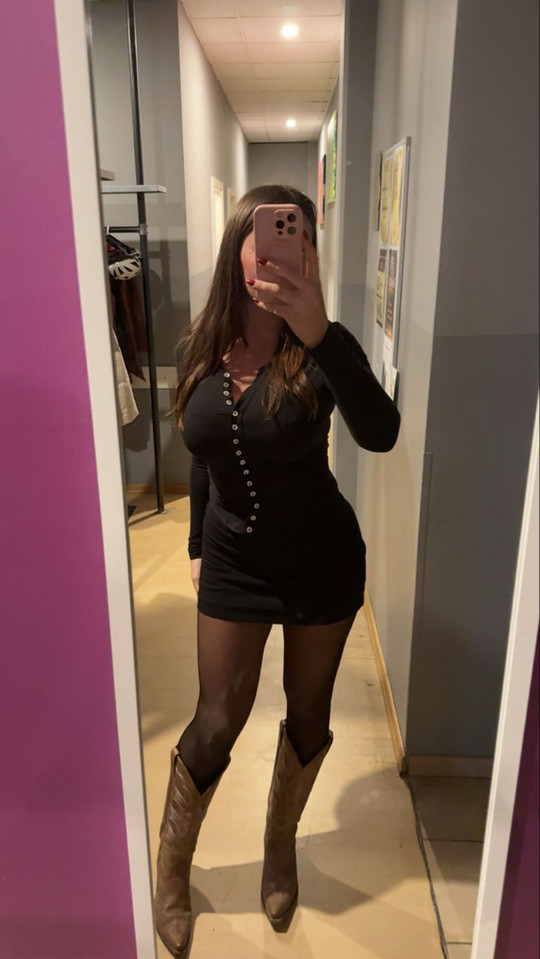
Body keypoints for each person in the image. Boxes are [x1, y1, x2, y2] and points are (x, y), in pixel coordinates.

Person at [154, 185, 400, 957]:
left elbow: (382, 431)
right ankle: (172, 867)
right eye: (264, 236)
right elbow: (206, 453)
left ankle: (279, 843)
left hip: (319, 560)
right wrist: (196, 544)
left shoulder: (324, 347)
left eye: (296, 238)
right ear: (239, 246)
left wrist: (320, 331)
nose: (278, 249)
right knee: (216, 717)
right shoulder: (203, 345)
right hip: (233, 558)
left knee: (307, 712)